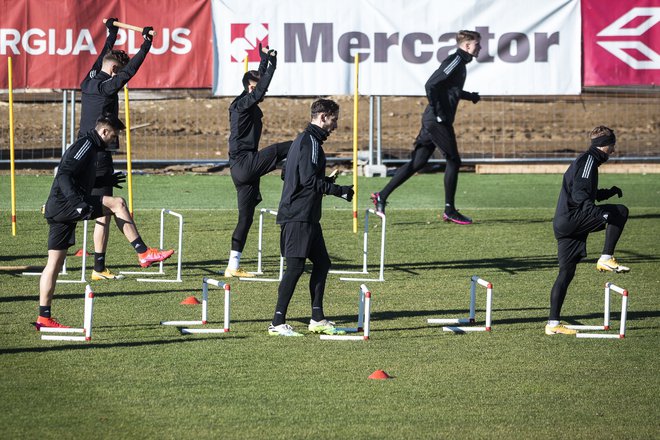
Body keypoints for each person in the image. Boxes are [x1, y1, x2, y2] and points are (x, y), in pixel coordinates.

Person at [36, 115, 174, 329]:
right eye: (114, 136)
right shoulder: (86, 145)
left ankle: (43, 318)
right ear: (104, 133)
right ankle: (143, 253)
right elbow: (63, 175)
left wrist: (103, 181)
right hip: (66, 204)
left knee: (53, 264)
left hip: (57, 208)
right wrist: (77, 203)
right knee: (117, 204)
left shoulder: (93, 147)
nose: (114, 141)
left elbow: (77, 178)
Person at [371, 30, 482, 224]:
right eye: (477, 44)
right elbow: (431, 84)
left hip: (434, 120)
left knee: (418, 162)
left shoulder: (461, 63)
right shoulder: (455, 61)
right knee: (454, 160)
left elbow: (449, 89)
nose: (479, 47)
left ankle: (382, 195)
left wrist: (469, 96)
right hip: (436, 120)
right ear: (467, 46)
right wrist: (438, 111)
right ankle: (450, 210)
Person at [268, 99, 354, 337]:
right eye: (334, 119)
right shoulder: (311, 142)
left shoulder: (301, 140)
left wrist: (324, 182)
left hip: (307, 216)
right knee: (295, 268)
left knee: (323, 263)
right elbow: (306, 181)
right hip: (298, 216)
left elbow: (288, 173)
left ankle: (317, 318)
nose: (335, 125)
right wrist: (340, 190)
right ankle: (277, 322)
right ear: (324, 117)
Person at [78, 18, 154, 281]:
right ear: (113, 72)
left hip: (84, 151)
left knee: (105, 211)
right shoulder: (107, 85)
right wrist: (147, 45)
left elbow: (103, 57)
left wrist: (111, 33)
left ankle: (99, 268)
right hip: (99, 154)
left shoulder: (89, 80)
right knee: (108, 207)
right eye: (116, 71)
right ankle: (141, 252)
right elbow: (128, 72)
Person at [546, 126, 629, 336]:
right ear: (605, 145)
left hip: (564, 223)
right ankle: (606, 257)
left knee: (566, 273)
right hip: (573, 219)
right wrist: (600, 215)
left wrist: (606, 194)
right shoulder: (588, 162)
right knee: (619, 212)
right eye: (613, 145)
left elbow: (583, 192)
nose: (614, 149)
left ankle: (552, 324)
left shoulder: (587, 161)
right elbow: (581, 195)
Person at [224, 44, 293, 278]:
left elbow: (258, 84)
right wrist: (273, 67)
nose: (262, 94)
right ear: (250, 87)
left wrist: (264, 61)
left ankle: (233, 267)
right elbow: (259, 90)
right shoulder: (241, 105)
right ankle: (289, 167)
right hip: (244, 163)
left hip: (244, 169)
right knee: (291, 145)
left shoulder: (247, 100)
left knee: (246, 218)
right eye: (257, 88)